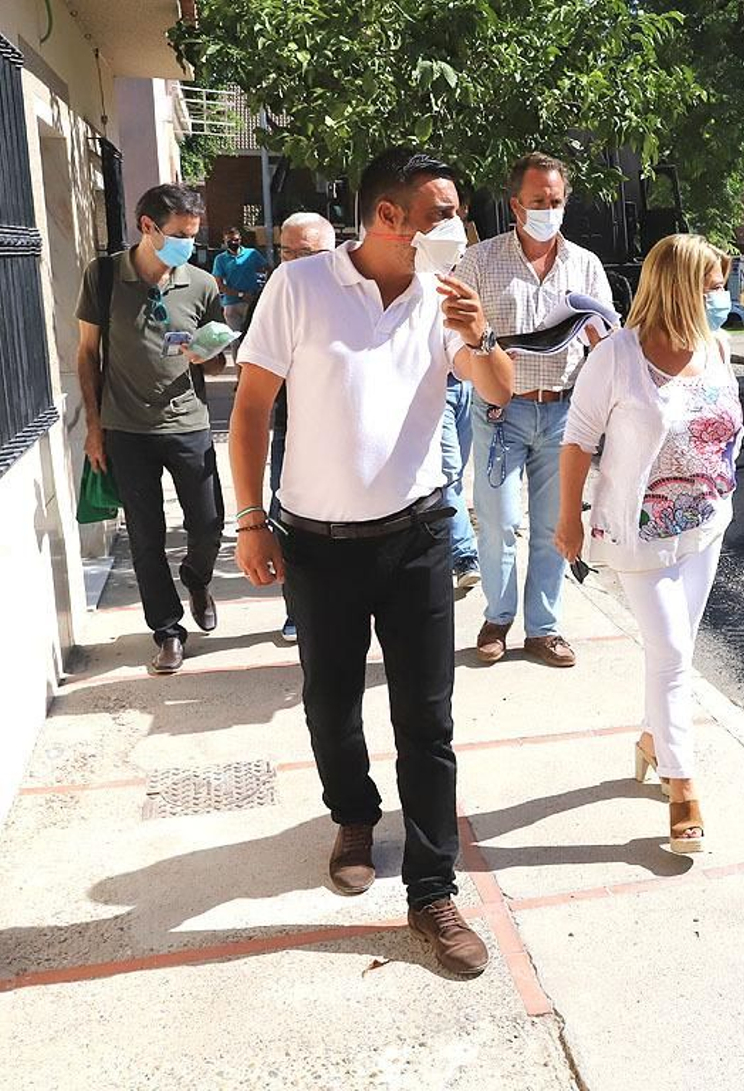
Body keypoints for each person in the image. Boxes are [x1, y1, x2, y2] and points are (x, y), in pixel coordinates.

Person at [229, 148, 515, 976]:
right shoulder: (303, 286)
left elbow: (497, 390)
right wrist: (251, 520)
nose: (453, 228)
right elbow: (251, 409)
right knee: (329, 702)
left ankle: (431, 889)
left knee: (428, 721)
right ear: (387, 218)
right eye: (439, 213)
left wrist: (481, 334)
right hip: (318, 544)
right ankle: (354, 814)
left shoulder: (445, 296)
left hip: (418, 535)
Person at [556, 234, 742, 855]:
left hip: (705, 526)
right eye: (714, 286)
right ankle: (683, 786)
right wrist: (568, 520)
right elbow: (578, 440)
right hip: (638, 533)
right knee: (670, 655)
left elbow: (730, 429)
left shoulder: (717, 348)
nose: (723, 296)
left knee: (676, 650)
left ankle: (650, 740)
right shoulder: (616, 356)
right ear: (683, 287)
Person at [455, 152, 613, 668]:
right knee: (500, 522)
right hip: (502, 413)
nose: (549, 208)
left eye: (557, 200)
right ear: (515, 205)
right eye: (539, 201)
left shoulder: (584, 264)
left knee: (553, 525)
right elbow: (452, 332)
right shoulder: (481, 261)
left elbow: (606, 340)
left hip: (564, 412)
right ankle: (497, 618)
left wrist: (597, 337)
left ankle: (543, 628)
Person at [75, 183, 227, 675]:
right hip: (126, 429)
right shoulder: (103, 276)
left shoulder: (202, 283)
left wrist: (210, 354)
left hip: (188, 422)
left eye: (193, 235)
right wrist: (94, 429)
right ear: (147, 226)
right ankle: (167, 630)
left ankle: (197, 577)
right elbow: (86, 355)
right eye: (180, 234)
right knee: (145, 535)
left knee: (207, 523)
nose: (189, 244)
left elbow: (219, 352)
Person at [261, 212, 338, 643]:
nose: (291, 261)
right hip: (291, 429)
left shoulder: (356, 296)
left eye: (303, 253)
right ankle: (298, 611)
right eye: (285, 252)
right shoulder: (277, 294)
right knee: (288, 519)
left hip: (345, 433)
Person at [441, 179, 480, 591]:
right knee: (449, 472)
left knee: (457, 471)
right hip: (438, 389)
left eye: (453, 212)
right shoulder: (418, 270)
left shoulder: (472, 263)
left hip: (469, 384)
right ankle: (463, 554)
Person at [212, 226, 269, 333]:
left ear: (240, 240)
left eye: (236, 240)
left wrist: (263, 288)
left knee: (254, 334)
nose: (233, 243)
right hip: (232, 303)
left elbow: (268, 269)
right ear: (224, 241)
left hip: (251, 300)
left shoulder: (252, 253)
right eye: (230, 240)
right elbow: (219, 284)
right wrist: (241, 294)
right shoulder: (220, 259)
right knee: (235, 339)